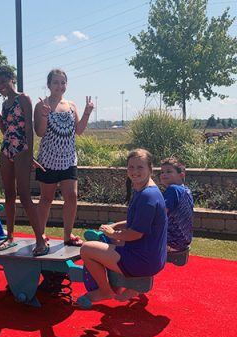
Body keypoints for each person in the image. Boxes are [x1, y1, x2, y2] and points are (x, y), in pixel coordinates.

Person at [77, 149, 168, 307]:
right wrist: (115, 226)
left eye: (140, 167)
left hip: (142, 260)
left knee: (86, 249)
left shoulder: (147, 197)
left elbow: (135, 234)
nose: (134, 172)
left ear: (150, 169)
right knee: (105, 240)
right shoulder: (147, 190)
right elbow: (136, 221)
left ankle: (105, 291)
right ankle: (117, 283)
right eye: (131, 167)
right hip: (151, 256)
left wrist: (114, 233)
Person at [0, 66, 48, 256]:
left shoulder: (23, 98)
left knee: (24, 195)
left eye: (4, 81)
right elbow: (7, 131)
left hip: (22, 149)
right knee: (9, 194)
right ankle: (10, 236)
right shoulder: (5, 104)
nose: (1, 86)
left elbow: (28, 128)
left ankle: (40, 240)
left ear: (12, 79)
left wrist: (29, 155)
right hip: (6, 148)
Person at [34, 68, 94, 246]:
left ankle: (67, 236)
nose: (59, 86)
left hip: (68, 159)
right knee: (46, 198)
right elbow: (39, 132)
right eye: (55, 82)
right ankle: (41, 234)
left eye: (62, 82)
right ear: (49, 85)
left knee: (72, 196)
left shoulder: (71, 105)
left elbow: (79, 131)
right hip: (48, 159)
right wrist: (45, 115)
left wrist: (87, 112)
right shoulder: (41, 105)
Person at [160, 157, 194, 252]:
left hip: (171, 241)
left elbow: (160, 214)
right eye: (162, 172)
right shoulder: (186, 190)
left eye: (169, 171)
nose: (164, 174)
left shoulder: (173, 189)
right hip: (184, 241)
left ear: (181, 175)